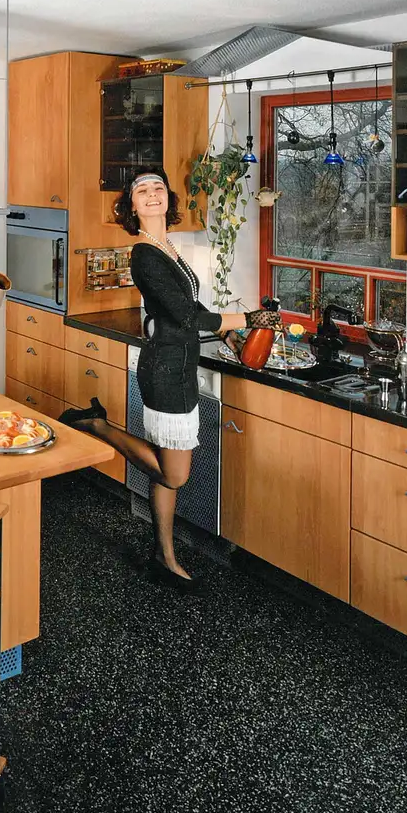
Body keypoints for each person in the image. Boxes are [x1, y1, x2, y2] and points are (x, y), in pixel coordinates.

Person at [59, 168, 280, 589]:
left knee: (165, 472)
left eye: (158, 187)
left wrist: (229, 335)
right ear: (131, 206)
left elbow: (191, 306)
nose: (152, 194)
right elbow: (185, 317)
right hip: (165, 371)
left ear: (168, 198)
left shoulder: (168, 247)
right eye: (141, 190)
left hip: (179, 366)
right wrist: (248, 318)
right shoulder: (145, 255)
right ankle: (97, 426)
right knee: (175, 474)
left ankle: (164, 555)